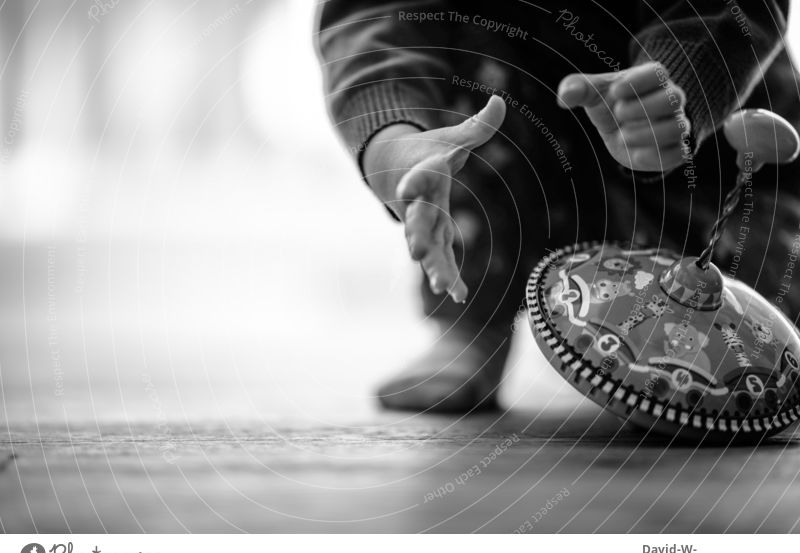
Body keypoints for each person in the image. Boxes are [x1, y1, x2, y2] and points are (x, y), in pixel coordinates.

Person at [314, 1, 800, 413]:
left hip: (716, 147)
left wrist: (682, 86)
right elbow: (373, 14)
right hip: (517, 130)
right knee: (474, 54)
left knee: (759, 353)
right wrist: (395, 144)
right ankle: (472, 319)